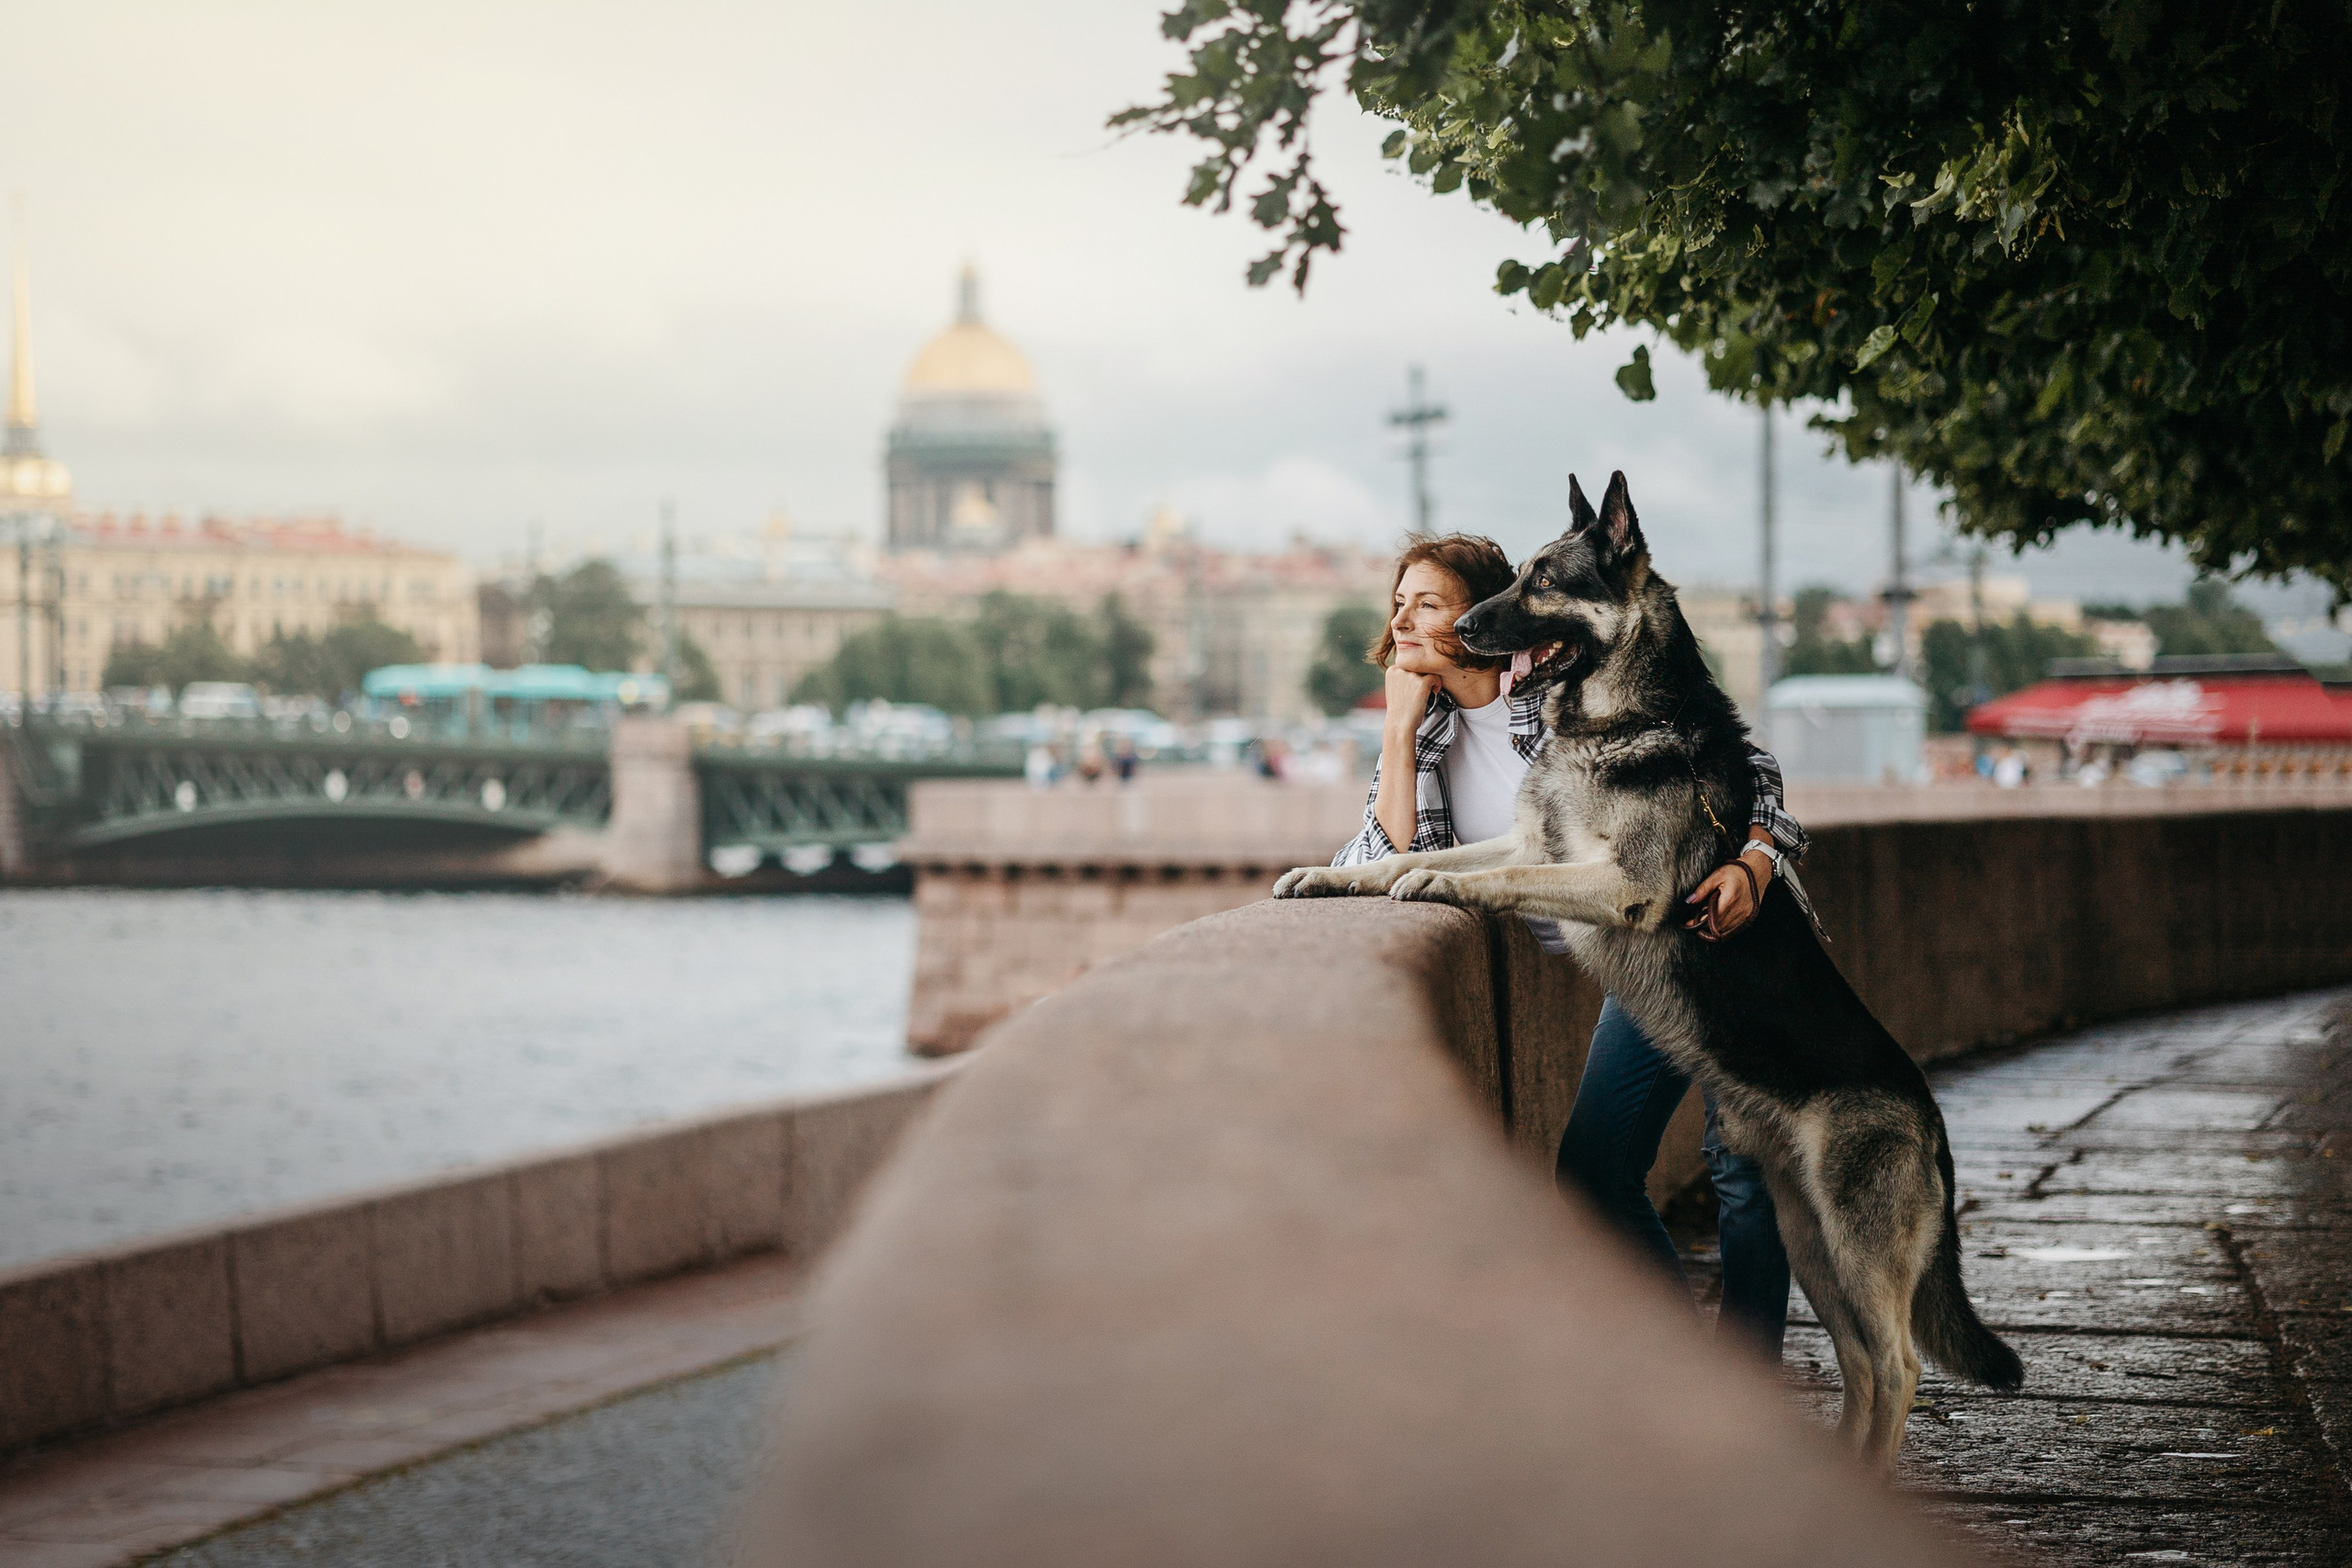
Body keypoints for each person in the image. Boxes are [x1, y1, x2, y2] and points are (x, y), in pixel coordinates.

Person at [1329, 533, 1809, 1359]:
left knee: (1742, 1166)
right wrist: (1398, 735)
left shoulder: (1568, 688)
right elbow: (1379, 868)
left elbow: (1750, 769)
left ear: (1479, 613)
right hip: (1637, 955)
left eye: (1428, 603)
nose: (1403, 618)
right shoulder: (1431, 733)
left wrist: (1758, 863)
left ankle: (1747, 1382)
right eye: (1398, 601)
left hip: (1723, 929)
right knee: (1593, 1170)